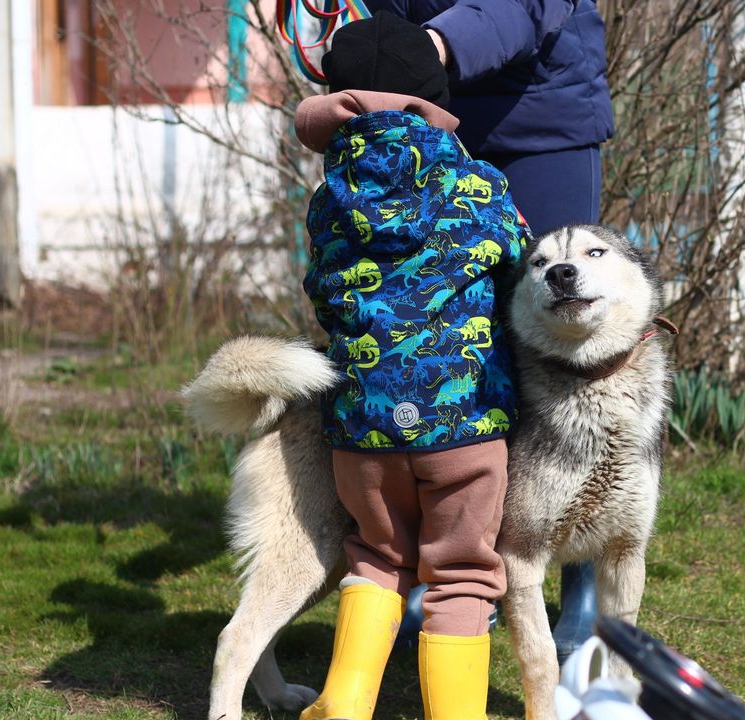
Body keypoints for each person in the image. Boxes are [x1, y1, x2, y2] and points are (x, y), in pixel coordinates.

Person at [363, 0, 615, 664]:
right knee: (443, 343)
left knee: (564, 347)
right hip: (432, 116)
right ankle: (456, 562)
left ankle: (578, 570)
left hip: (540, 118)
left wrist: (440, 44)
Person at [294, 11, 529, 720]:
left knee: (375, 557)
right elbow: (521, 264)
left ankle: (345, 701)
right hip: (463, 428)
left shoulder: (328, 202)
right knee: (461, 573)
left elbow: (322, 295)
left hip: (361, 430)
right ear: (435, 97)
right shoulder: (480, 188)